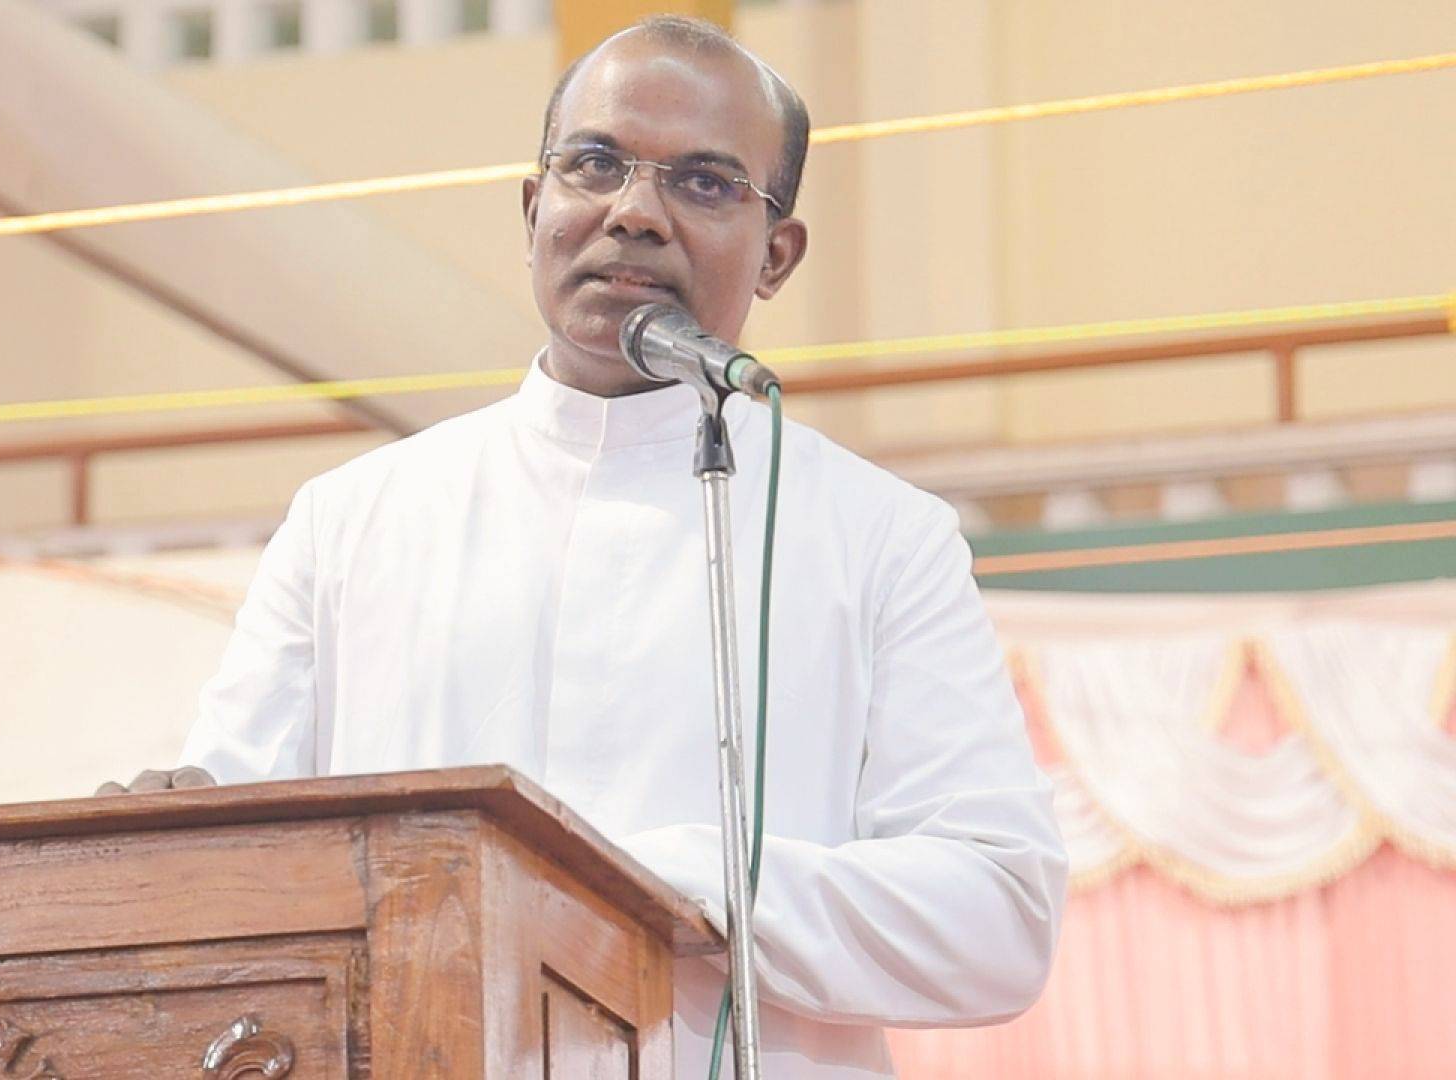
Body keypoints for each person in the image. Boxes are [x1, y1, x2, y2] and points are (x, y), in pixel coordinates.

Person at [103, 15, 1066, 1077]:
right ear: (534, 212)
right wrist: (156, 854)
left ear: (777, 255)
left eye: (704, 182)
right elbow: (235, 863)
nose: (634, 212)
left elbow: (999, 915)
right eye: (595, 164)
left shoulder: (882, 538)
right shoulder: (351, 519)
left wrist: (681, 885)